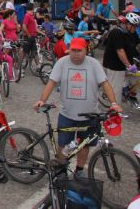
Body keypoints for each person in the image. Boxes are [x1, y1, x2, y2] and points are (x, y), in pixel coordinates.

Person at [34, 38, 120, 177]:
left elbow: (105, 84)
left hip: (90, 115)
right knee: (63, 145)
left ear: (86, 50)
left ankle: (79, 171)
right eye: (73, 50)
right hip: (67, 114)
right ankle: (60, 171)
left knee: (84, 145)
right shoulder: (62, 62)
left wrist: (114, 104)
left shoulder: (94, 64)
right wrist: (41, 100)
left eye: (79, 50)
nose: (75, 53)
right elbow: (51, 83)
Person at [102, 12, 140, 107]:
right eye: (134, 26)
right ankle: (115, 112)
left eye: (137, 26)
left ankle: (130, 94)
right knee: (116, 90)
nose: (136, 28)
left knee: (136, 79)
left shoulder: (131, 32)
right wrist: (129, 66)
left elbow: (138, 44)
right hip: (115, 66)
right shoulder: (117, 32)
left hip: (126, 64)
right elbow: (120, 51)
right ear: (127, 24)